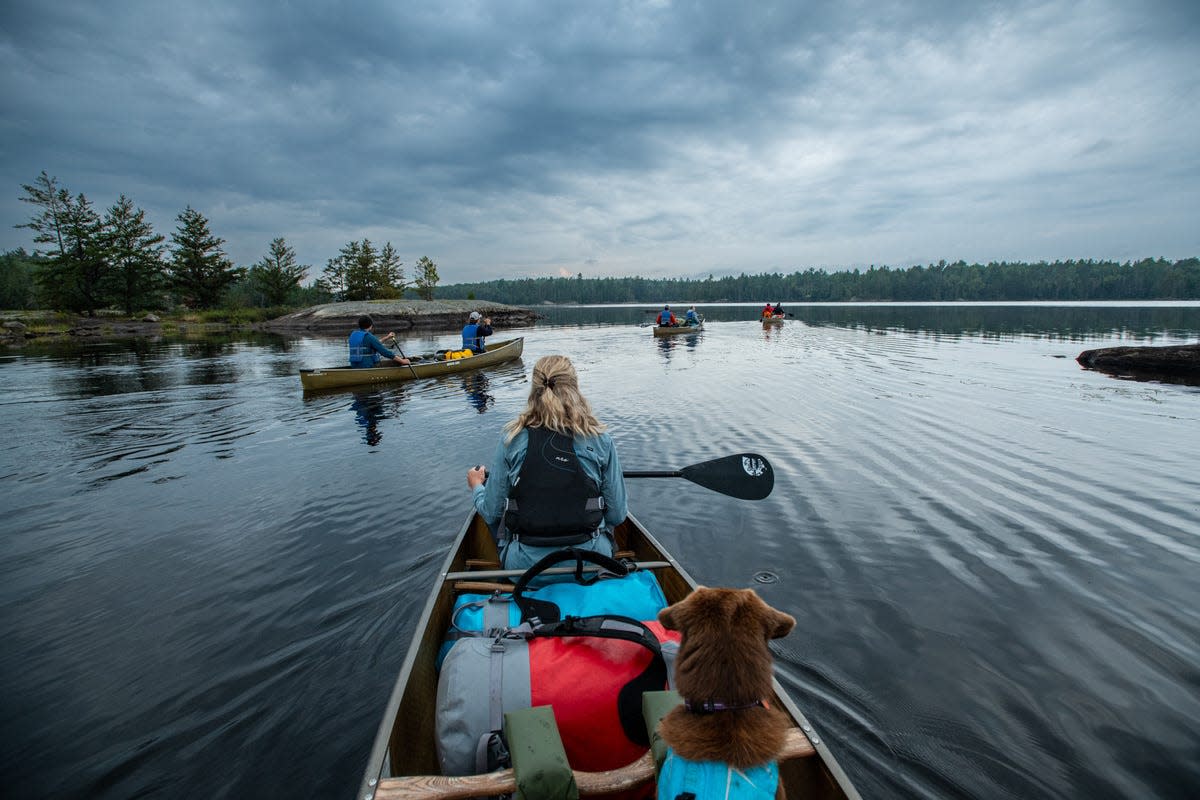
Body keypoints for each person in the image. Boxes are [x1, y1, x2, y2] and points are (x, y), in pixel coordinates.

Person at [466, 355, 628, 572]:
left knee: (500, 510)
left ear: (534, 390)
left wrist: (477, 486)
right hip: (592, 563)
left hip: (526, 570)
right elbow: (617, 515)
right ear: (574, 388)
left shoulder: (511, 439)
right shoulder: (600, 439)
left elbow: (491, 512)